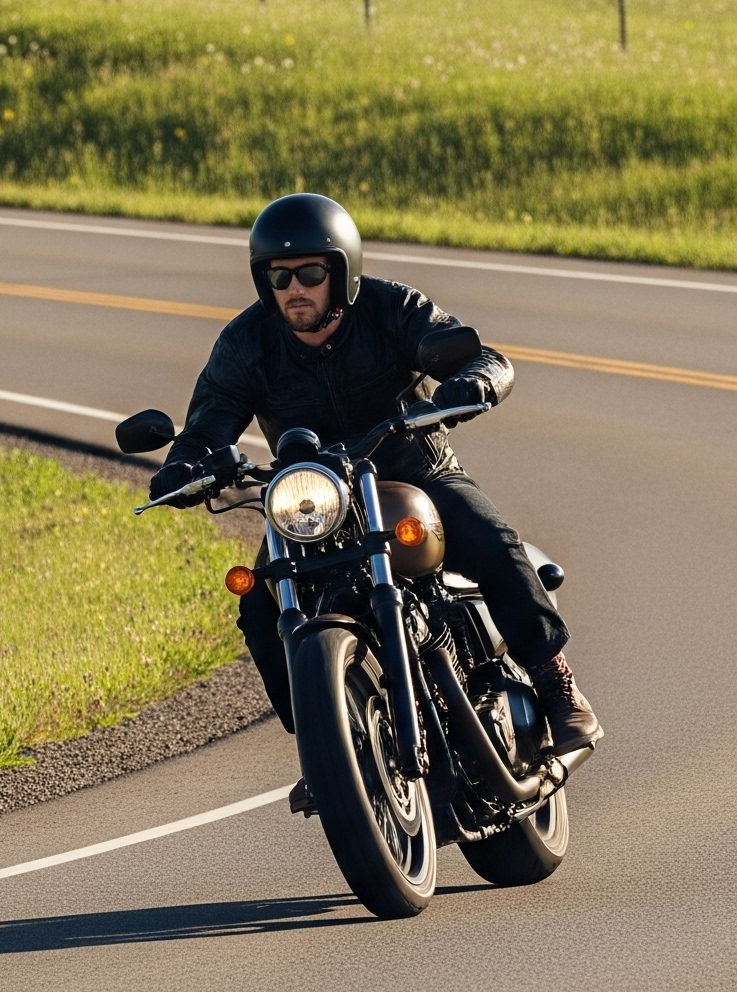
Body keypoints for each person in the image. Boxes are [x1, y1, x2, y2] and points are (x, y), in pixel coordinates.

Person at [150, 193, 602, 805]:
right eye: (278, 277)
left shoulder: (393, 307)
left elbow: (476, 354)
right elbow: (209, 422)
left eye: (311, 272)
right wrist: (184, 465)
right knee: (260, 605)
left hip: (415, 473)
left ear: (342, 272)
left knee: (493, 543)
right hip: (316, 503)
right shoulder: (246, 342)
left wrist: (476, 379)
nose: (295, 289)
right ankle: (327, 745)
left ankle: (558, 689)